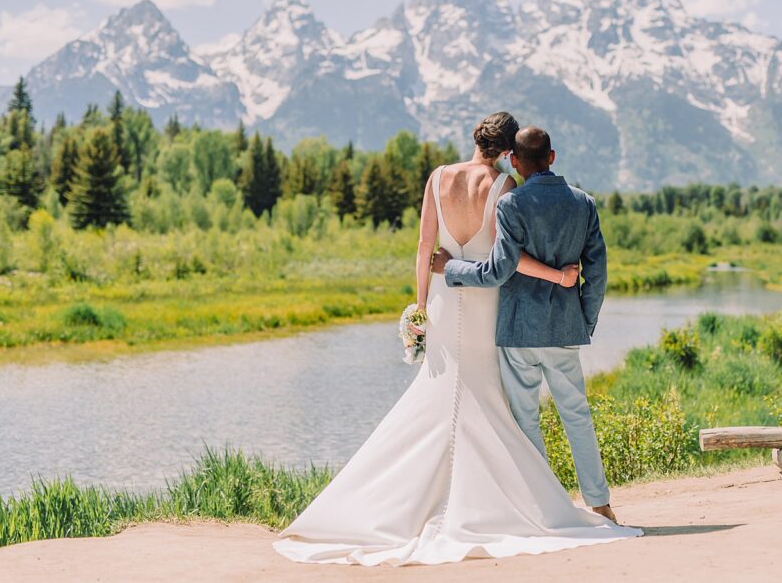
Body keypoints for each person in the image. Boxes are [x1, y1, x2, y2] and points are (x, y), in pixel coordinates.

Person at [273, 112, 640, 567]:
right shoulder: (506, 190)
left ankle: (411, 503)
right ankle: (537, 500)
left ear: (477, 140)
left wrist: (421, 309)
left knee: (445, 397)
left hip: (446, 299)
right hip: (488, 304)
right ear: (508, 152)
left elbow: (425, 249)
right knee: (495, 402)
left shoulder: (438, 177)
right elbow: (511, 263)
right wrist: (562, 280)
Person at [433, 125, 618, 522]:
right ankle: (600, 504)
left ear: (514, 162)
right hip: (564, 328)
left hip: (518, 331)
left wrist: (452, 268)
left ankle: (548, 508)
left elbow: (499, 271)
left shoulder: (511, 204)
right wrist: (582, 319)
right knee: (577, 416)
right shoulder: (584, 203)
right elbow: (597, 272)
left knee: (526, 421)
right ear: (552, 157)